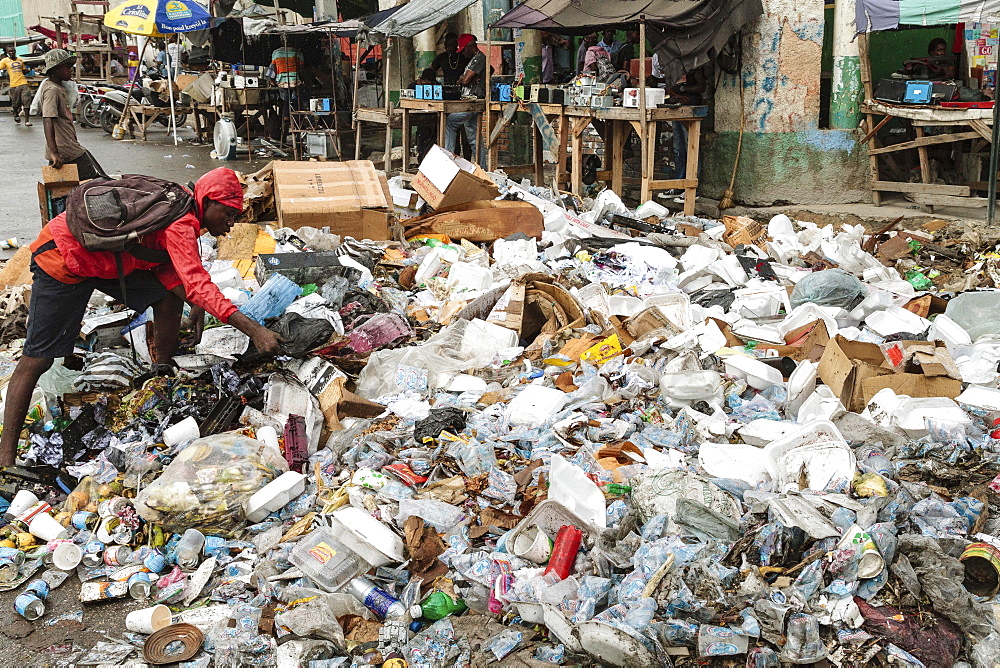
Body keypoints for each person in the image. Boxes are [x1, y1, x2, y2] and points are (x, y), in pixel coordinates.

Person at [0, 168, 284, 467]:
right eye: (228, 213)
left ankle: (162, 373)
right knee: (38, 360)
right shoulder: (181, 221)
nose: (231, 224)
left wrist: (197, 303)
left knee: (166, 296)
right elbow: (196, 282)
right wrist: (254, 331)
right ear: (208, 201)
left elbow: (170, 268)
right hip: (62, 257)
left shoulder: (182, 209)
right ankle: (6, 463)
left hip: (104, 261)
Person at [38, 49, 105, 180]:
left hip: (66, 146)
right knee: (94, 180)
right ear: (56, 69)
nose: (71, 70)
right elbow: (47, 120)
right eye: (67, 67)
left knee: (62, 185)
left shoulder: (58, 87)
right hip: (65, 149)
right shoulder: (52, 90)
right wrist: (54, 152)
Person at [446, 34, 486, 164]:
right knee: (474, 139)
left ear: (471, 46)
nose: (463, 53)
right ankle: (483, 168)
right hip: (469, 102)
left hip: (474, 101)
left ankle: (448, 160)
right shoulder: (473, 60)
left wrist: (467, 79)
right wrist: (466, 79)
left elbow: (465, 80)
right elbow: (460, 80)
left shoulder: (479, 58)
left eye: (464, 49)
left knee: (450, 122)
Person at [409, 68, 440, 164]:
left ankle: (430, 161)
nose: (429, 86)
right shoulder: (412, 86)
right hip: (418, 116)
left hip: (433, 116)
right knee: (422, 137)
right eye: (427, 83)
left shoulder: (437, 87)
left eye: (431, 83)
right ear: (421, 80)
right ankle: (421, 160)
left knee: (434, 138)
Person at [0, 45, 33, 126]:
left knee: (26, 101)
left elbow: (24, 71)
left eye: (13, 51)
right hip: (14, 84)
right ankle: (15, 113)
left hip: (23, 83)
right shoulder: (5, 61)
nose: (12, 53)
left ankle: (27, 120)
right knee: (16, 104)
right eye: (10, 51)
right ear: (7, 53)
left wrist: (30, 68)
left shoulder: (20, 60)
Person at [271, 43, 304, 111]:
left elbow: (274, 68)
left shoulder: (275, 53)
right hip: (294, 80)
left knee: (286, 96)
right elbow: (301, 68)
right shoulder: (297, 52)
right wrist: (302, 79)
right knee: (300, 97)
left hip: (281, 81)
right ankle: (296, 113)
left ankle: (286, 115)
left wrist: (275, 79)